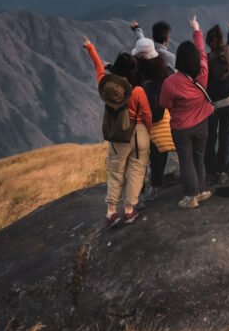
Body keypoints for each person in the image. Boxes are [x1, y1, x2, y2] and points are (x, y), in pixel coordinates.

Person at [82, 38, 152, 228]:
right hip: (138, 135)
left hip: (117, 137)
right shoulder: (137, 91)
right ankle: (129, 210)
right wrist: (149, 132)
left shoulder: (107, 87)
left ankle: (111, 212)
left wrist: (90, 48)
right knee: (136, 172)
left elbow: (98, 68)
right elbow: (147, 114)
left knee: (115, 172)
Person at [159, 15, 214, 208]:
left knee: (186, 160)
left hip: (181, 127)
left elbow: (164, 103)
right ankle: (201, 189)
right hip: (203, 123)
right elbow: (201, 52)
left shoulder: (171, 82)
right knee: (199, 157)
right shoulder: (203, 72)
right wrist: (196, 29)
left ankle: (191, 196)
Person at [133, 37, 173, 203]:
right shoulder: (164, 71)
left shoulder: (135, 74)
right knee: (159, 153)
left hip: (140, 120)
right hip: (161, 118)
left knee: (138, 156)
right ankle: (156, 185)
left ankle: (138, 193)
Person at [204, 21, 229, 184]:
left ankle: (210, 171)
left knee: (210, 137)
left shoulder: (206, 60)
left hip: (213, 106)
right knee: (225, 136)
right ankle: (223, 171)